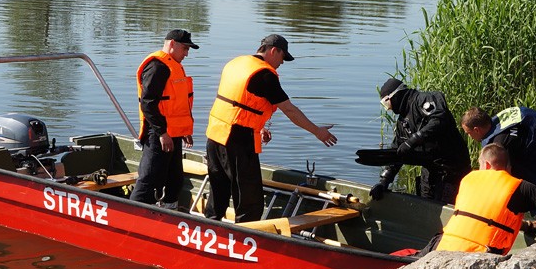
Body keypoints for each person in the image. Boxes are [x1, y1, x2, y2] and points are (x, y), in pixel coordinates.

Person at [204, 34, 337, 223]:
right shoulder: (264, 75)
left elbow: (239, 100)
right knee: (249, 199)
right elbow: (290, 110)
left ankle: (209, 225)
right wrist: (317, 131)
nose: (282, 63)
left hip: (215, 134)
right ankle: (248, 237)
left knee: (219, 190)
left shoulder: (236, 63)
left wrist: (260, 126)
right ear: (274, 50)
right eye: (283, 58)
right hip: (238, 140)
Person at [435, 144, 536, 255]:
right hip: (483, 254)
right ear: (507, 166)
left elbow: (481, 217)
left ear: (487, 164)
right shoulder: (520, 187)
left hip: (445, 247)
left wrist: (525, 226)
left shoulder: (468, 180)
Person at [367, 78, 471, 204]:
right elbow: (397, 153)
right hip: (430, 170)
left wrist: (413, 141)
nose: (389, 109)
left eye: (387, 104)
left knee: (448, 208)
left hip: (452, 170)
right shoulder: (402, 124)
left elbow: (439, 119)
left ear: (395, 95)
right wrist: (383, 181)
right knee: (425, 207)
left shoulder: (424, 99)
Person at [130, 29, 198, 207]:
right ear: (172, 44)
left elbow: (175, 103)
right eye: (185, 48)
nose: (186, 53)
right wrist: (162, 133)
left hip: (172, 133)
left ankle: (170, 212)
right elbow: (148, 104)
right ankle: (135, 215)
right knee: (149, 179)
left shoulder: (173, 66)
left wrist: (183, 130)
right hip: (158, 133)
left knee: (175, 179)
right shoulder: (157, 67)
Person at [460, 106, 536, 195]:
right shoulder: (503, 120)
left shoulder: (499, 147)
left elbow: (500, 181)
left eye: (468, 133)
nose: (469, 137)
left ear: (476, 130)